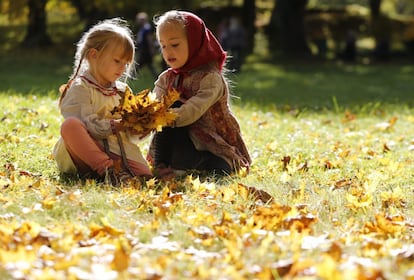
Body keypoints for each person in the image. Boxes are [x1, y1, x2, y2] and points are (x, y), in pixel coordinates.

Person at [148, 10, 251, 178]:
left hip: (210, 141)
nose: (168, 52)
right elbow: (155, 103)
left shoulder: (210, 79)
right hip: (177, 139)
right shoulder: (167, 78)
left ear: (195, 42)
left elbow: (194, 109)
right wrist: (147, 116)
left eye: (174, 45)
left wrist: (166, 116)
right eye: (163, 45)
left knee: (223, 168)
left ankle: (195, 161)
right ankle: (163, 163)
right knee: (165, 110)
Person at [52, 18, 152, 186]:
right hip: (83, 153)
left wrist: (139, 126)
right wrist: (116, 125)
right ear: (94, 55)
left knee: (144, 175)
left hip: (116, 148)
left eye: (125, 64)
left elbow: (130, 133)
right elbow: (87, 123)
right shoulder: (80, 87)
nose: (122, 68)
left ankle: (117, 170)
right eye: (117, 61)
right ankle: (108, 170)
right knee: (70, 126)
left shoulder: (122, 91)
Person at [135, 12, 158, 79]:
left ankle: (132, 76)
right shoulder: (142, 28)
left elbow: (149, 39)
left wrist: (152, 49)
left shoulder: (146, 28)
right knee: (149, 64)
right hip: (143, 49)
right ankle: (156, 76)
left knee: (139, 63)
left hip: (146, 50)